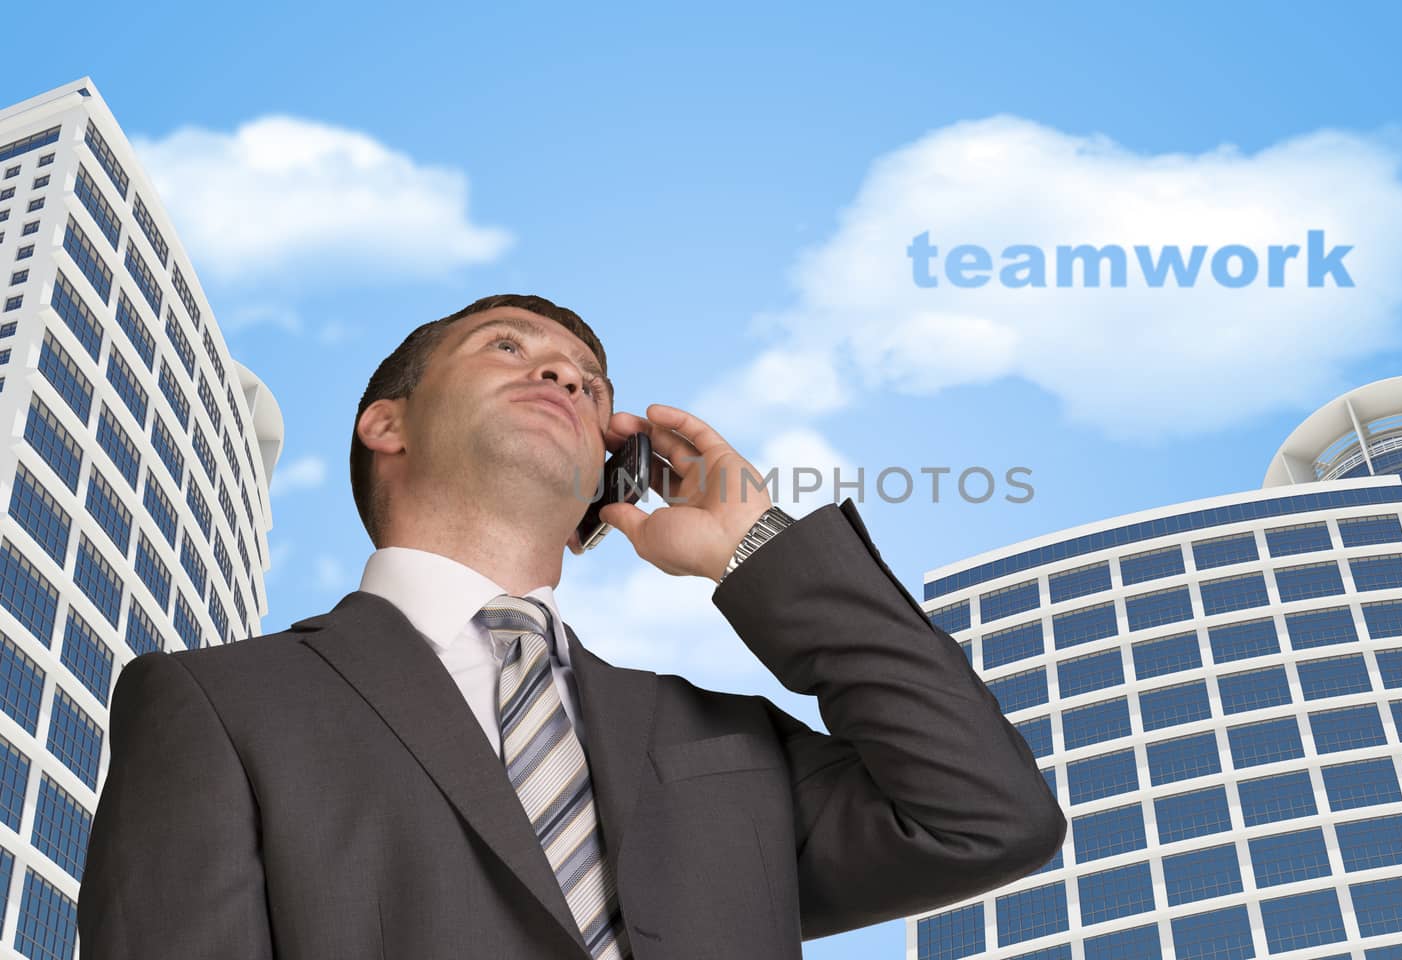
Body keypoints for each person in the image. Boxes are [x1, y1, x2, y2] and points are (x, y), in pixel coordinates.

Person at [78, 293, 1067, 959]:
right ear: (388, 424)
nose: (563, 379)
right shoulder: (219, 702)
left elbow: (986, 820)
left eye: (588, 384)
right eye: (509, 350)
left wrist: (752, 544)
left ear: (608, 475)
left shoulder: (721, 742)